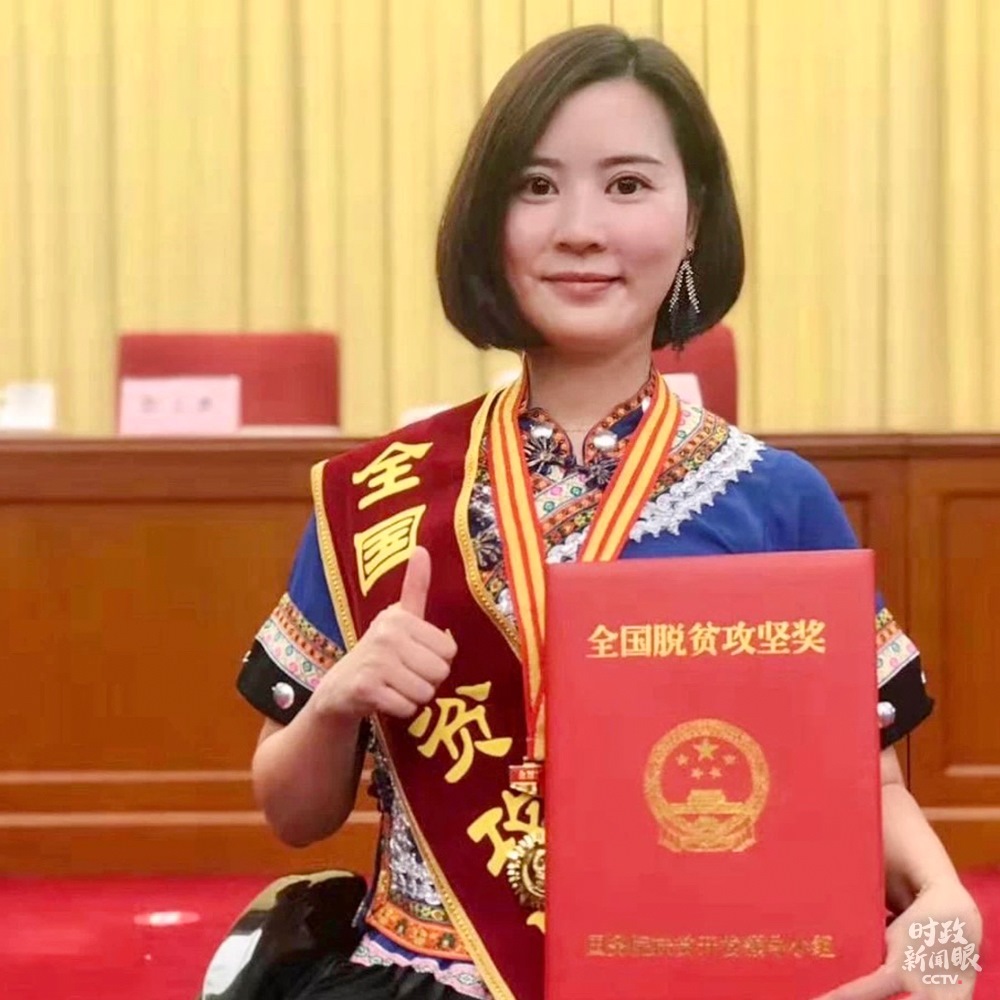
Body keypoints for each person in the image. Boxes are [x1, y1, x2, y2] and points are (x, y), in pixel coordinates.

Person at [236, 25, 981, 1000]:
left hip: (698, 975)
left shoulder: (778, 499)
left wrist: (946, 909)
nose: (581, 227)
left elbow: (865, 785)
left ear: (692, 217)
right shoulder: (374, 494)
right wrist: (339, 702)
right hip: (426, 977)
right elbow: (292, 815)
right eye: (536, 186)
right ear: (488, 222)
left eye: (627, 184)